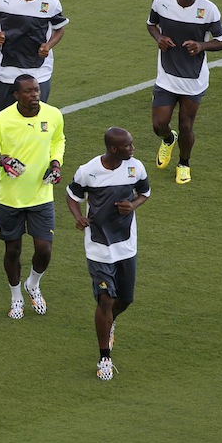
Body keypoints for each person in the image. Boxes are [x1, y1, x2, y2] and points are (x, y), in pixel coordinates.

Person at [0, 74, 65, 319]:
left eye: (36, 90)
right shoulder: (1, 121)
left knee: (44, 249)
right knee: (13, 250)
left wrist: (56, 163)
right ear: (15, 95)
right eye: (28, 91)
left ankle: (33, 285)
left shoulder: (53, 115)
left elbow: (58, 140)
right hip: (11, 199)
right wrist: (2, 161)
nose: (34, 95)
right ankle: (16, 296)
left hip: (41, 196)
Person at [66, 128, 150, 381]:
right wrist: (78, 216)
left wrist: (132, 205)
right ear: (113, 149)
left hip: (126, 246)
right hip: (98, 247)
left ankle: (109, 321)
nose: (132, 149)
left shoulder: (135, 167)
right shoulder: (88, 171)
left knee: (125, 299)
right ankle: (105, 358)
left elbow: (144, 192)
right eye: (127, 146)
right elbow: (72, 196)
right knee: (105, 299)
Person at [147, 0, 222, 185]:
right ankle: (168, 139)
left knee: (186, 125)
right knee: (159, 125)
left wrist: (202, 46)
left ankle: (184, 163)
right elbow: (152, 25)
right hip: (166, 76)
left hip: (194, 81)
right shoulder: (161, 2)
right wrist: (159, 38)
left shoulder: (208, 9)